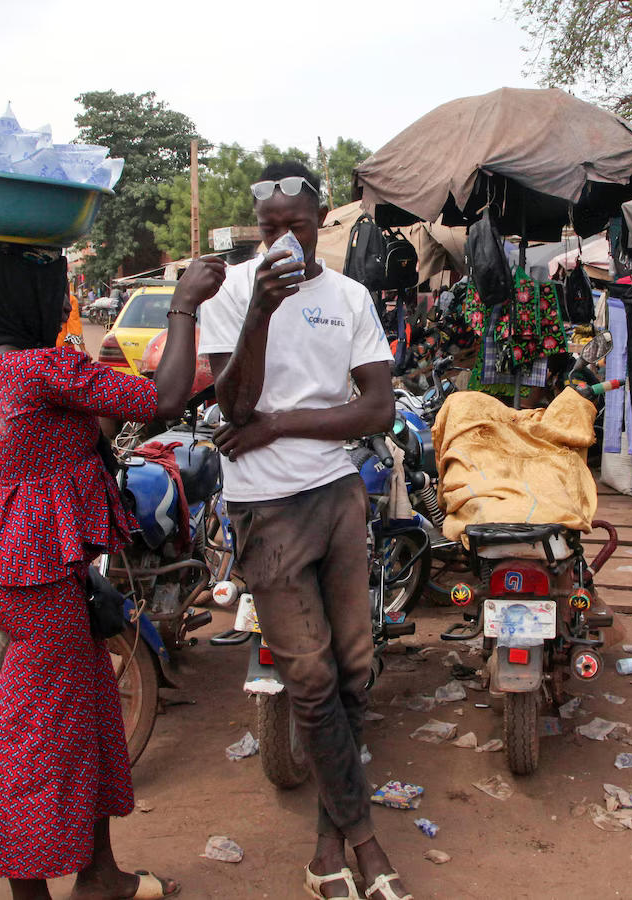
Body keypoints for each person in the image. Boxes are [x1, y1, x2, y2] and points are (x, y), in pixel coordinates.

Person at [0, 242, 220, 900]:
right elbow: (170, 392)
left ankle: (99, 874)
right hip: (37, 574)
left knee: (93, 710)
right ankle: (32, 892)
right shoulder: (40, 367)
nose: (66, 301)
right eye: (57, 290)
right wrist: (184, 304)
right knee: (38, 742)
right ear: (31, 299)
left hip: (30, 565)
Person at [200, 161, 407, 900]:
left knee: (354, 670)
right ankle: (363, 841)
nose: (282, 239)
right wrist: (258, 309)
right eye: (268, 228)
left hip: (338, 495)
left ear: (322, 221)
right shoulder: (230, 292)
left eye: (295, 225)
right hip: (265, 506)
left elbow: (377, 409)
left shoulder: (349, 297)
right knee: (311, 680)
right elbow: (232, 405)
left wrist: (283, 423)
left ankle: (327, 847)